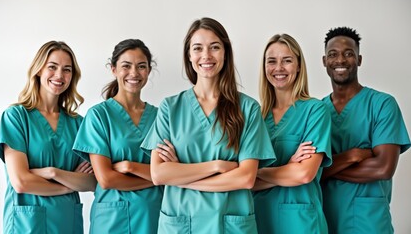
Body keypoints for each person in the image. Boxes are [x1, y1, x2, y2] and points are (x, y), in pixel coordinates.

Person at [140, 17, 276, 234]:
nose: (206, 55)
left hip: (229, 224)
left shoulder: (247, 108)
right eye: (198, 48)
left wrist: (182, 177)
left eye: (215, 47)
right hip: (182, 224)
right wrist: (217, 166)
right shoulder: (170, 108)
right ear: (189, 55)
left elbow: (246, 178)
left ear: (225, 53)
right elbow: (158, 174)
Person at [0, 41, 96, 234]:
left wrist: (51, 172)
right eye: (52, 67)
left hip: (67, 222)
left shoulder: (79, 124)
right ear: (39, 70)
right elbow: (21, 181)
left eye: (67, 69)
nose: (59, 75)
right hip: (27, 224)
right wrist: (69, 185)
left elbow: (92, 182)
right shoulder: (16, 117)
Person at [320, 26, 411, 234]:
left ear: (359, 60)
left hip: (369, 223)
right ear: (324, 61)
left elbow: (383, 168)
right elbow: (310, 172)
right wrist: (352, 156)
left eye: (348, 54)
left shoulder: (382, 104)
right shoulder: (316, 110)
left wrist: (326, 169)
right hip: (325, 221)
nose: (340, 60)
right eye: (333, 54)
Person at [72, 39, 163, 234]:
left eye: (141, 66)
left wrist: (130, 167)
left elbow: (171, 170)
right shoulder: (99, 116)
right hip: (112, 221)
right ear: (113, 69)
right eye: (126, 66)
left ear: (148, 70)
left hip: (153, 217)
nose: (134, 73)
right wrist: (156, 178)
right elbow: (106, 179)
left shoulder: (160, 117)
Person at [252, 33, 332, 234]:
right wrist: (288, 167)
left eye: (287, 60)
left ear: (298, 66)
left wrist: (255, 173)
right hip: (260, 219)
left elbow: (304, 173)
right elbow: (243, 183)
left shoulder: (315, 110)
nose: (278, 68)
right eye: (272, 61)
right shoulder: (255, 117)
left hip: (301, 222)